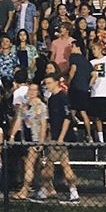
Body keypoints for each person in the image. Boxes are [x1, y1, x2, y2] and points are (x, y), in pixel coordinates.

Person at [30, 75, 80, 204]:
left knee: (50, 165)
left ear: (57, 83)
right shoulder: (51, 99)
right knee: (60, 164)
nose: (48, 85)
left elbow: (67, 117)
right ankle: (71, 192)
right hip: (55, 136)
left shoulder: (62, 97)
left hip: (61, 137)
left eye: (50, 83)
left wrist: (60, 138)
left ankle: (46, 191)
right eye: (46, 83)